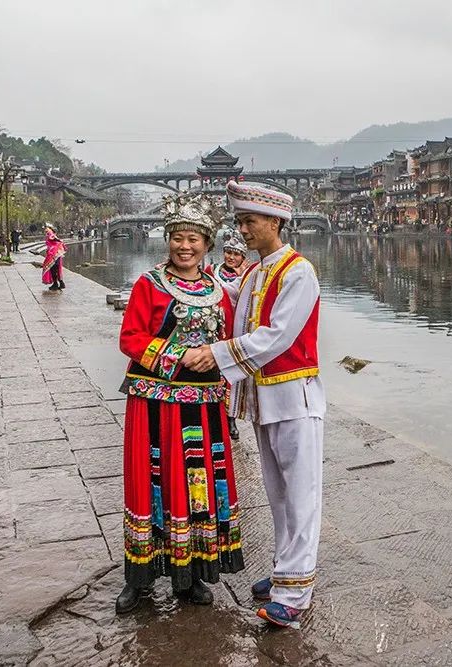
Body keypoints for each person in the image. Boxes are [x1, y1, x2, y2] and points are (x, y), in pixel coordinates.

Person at [183, 181, 325, 629]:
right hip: (264, 401)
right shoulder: (253, 273)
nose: (242, 230)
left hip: (294, 396)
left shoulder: (298, 272)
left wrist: (217, 355)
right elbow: (234, 318)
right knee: (278, 494)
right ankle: (286, 570)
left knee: (301, 494)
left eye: (250, 222)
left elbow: (277, 336)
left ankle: (296, 591)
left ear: (275, 222)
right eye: (240, 222)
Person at [116, 193, 245, 615]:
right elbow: (130, 339)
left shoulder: (219, 292)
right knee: (152, 482)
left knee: (195, 485)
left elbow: (229, 342)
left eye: (193, 239)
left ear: (208, 244)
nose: (184, 247)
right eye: (177, 239)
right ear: (167, 241)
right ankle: (140, 575)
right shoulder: (148, 284)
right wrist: (179, 356)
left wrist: (222, 362)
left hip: (202, 407)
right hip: (155, 403)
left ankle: (189, 576)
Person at [204, 235, 250, 441]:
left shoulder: (249, 275)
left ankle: (231, 417)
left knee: (232, 374)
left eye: (236, 254)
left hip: (235, 327)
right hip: (213, 326)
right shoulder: (211, 271)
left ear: (243, 257)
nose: (231, 257)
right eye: (228, 253)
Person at [41, 224, 66, 291]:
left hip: (53, 254)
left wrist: (57, 240)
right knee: (56, 269)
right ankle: (60, 283)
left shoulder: (51, 234)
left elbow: (53, 238)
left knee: (53, 269)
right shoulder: (52, 235)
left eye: (47, 229)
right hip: (56, 253)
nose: (45, 230)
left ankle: (56, 284)